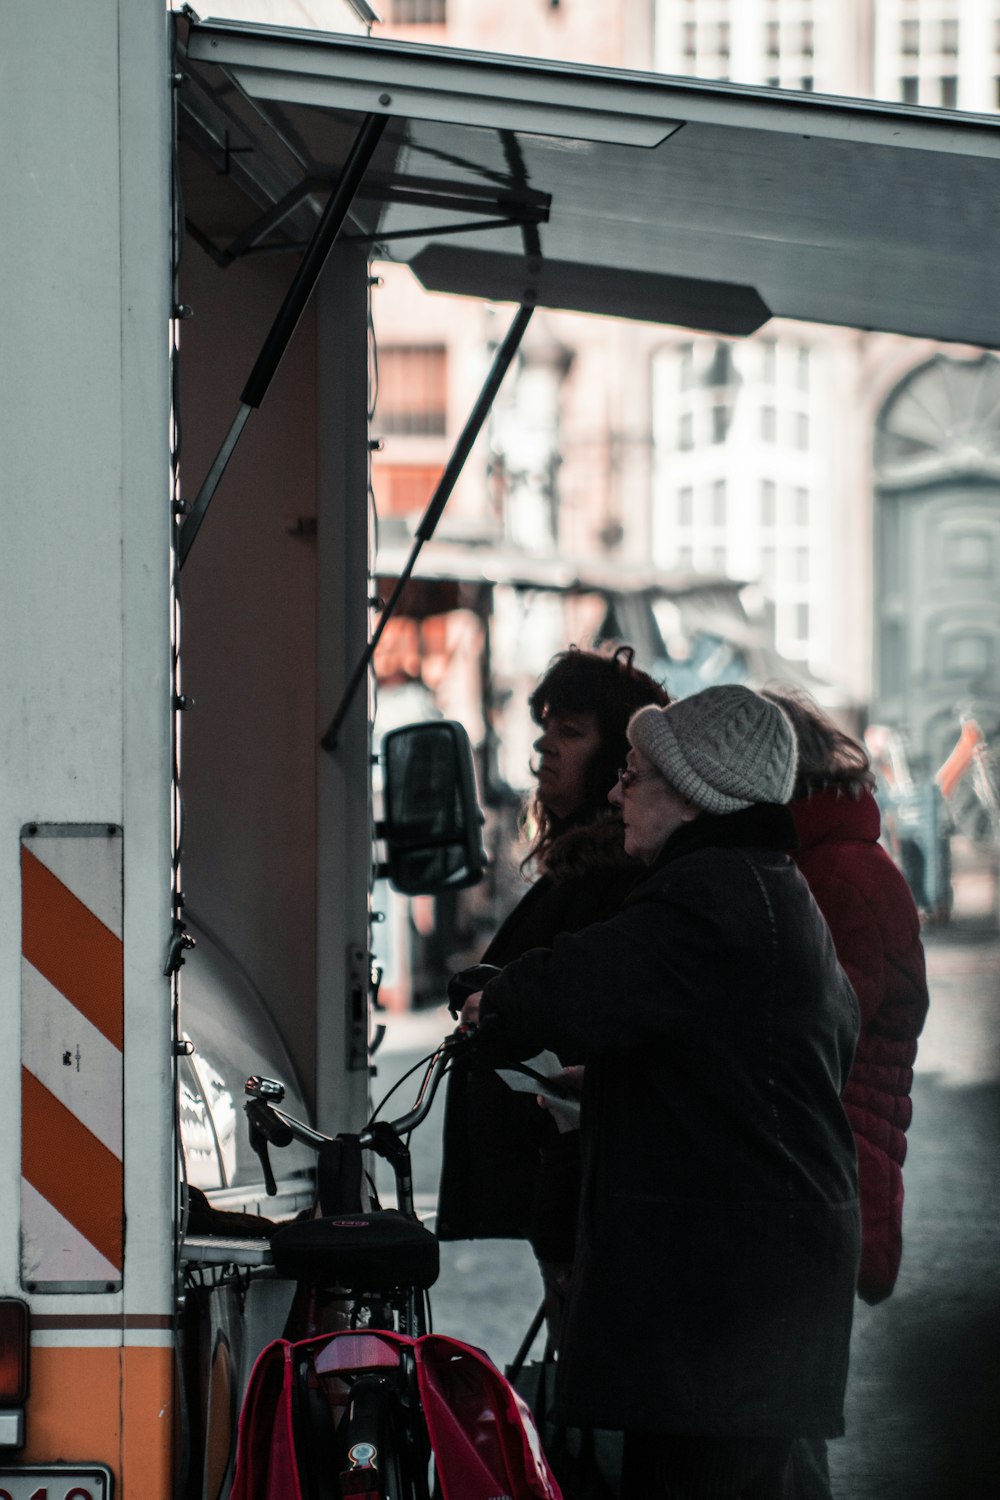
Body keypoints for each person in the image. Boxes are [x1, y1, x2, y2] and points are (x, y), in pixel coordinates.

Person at [458, 684, 861, 1499]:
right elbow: (749, 1066)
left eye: (634, 774)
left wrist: (492, 1001)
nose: (616, 792)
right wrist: (615, 1084)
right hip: (753, 1292)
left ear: (691, 796)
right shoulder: (767, 885)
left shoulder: (706, 894)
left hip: (726, 1309)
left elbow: (578, 981)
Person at [437, 646, 669, 1324]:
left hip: (594, 1180)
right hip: (566, 1178)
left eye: (571, 732)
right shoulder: (582, 864)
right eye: (544, 730)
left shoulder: (620, 877)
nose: (545, 749)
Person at [762, 689, 929, 1301]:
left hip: (833, 1166)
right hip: (831, 1161)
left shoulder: (831, 874)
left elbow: (819, 1029)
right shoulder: (826, 858)